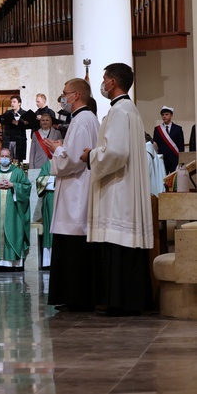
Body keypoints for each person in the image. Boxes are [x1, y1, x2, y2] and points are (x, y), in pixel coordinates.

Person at [81, 63, 154, 316]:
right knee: (122, 246)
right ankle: (128, 300)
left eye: (104, 79)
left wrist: (91, 155)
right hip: (123, 185)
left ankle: (119, 301)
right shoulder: (128, 110)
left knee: (117, 243)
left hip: (118, 189)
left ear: (113, 82)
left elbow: (116, 152)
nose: (102, 84)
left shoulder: (120, 111)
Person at [44, 78, 100, 311]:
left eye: (65, 93)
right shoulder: (88, 119)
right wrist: (62, 148)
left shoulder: (81, 120)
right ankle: (76, 297)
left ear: (76, 95)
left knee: (73, 245)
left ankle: (76, 298)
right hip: (78, 188)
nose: (63, 97)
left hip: (76, 192)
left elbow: (74, 160)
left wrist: (57, 150)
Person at [0, 148, 31, 269]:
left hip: (13, 213)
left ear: (11, 159)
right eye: (2, 156)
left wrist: (14, 185)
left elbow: (27, 188)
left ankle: (13, 263)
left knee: (13, 232)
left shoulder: (18, 173)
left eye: (7, 156)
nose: (4, 158)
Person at [153, 106, 184, 174]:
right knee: (163, 180)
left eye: (167, 114)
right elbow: (155, 145)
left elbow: (181, 146)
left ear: (171, 115)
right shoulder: (157, 129)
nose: (164, 116)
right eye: (163, 115)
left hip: (175, 159)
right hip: (162, 159)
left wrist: (181, 160)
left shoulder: (178, 129)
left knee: (175, 180)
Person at [35, 160, 54, 268]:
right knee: (50, 225)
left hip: (67, 198)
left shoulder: (70, 161)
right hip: (51, 198)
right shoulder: (48, 164)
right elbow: (40, 180)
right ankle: (49, 261)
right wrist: (56, 180)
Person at [0, 96, 28, 162]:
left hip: (20, 139)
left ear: (19, 103)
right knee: (8, 158)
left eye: (14, 102)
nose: (12, 104)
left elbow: (27, 125)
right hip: (9, 139)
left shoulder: (24, 114)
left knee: (19, 160)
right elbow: (3, 121)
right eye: (11, 102)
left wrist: (20, 123)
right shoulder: (8, 113)